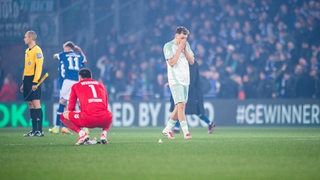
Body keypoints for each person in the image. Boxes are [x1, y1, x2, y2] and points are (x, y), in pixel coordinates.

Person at [60, 68, 113, 145]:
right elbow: (105, 104)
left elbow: (71, 107)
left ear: (80, 77)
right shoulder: (101, 84)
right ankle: (103, 135)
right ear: (90, 76)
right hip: (104, 118)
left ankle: (82, 134)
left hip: (87, 119)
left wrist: (76, 116)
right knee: (109, 115)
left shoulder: (76, 86)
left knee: (63, 116)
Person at [162, 26, 194, 139]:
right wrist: (179, 49)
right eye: (182, 37)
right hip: (175, 80)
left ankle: (167, 129)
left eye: (185, 38)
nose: (184, 40)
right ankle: (186, 132)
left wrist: (184, 49)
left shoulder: (187, 45)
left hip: (186, 80)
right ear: (176, 36)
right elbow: (171, 62)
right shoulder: (168, 46)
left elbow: (192, 61)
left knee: (179, 106)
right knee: (181, 105)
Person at [49, 41, 86, 134]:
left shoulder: (63, 55)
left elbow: (54, 56)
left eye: (64, 48)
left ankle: (57, 127)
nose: (63, 49)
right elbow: (85, 60)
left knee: (62, 102)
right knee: (79, 103)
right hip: (78, 81)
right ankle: (85, 128)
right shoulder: (78, 55)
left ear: (68, 48)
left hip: (68, 81)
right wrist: (80, 50)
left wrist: (57, 55)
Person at [170, 61, 215, 134]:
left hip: (191, 92)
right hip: (190, 91)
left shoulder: (191, 64)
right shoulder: (187, 63)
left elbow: (191, 79)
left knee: (184, 108)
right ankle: (210, 123)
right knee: (190, 110)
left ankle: (176, 127)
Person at [20, 30, 44, 137]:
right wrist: (23, 82)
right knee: (30, 104)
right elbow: (26, 67)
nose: (24, 39)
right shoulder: (27, 51)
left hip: (34, 79)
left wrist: (35, 82)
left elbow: (38, 67)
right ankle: (34, 130)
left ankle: (40, 130)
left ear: (31, 38)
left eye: (25, 37)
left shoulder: (37, 50)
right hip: (27, 80)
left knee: (36, 103)